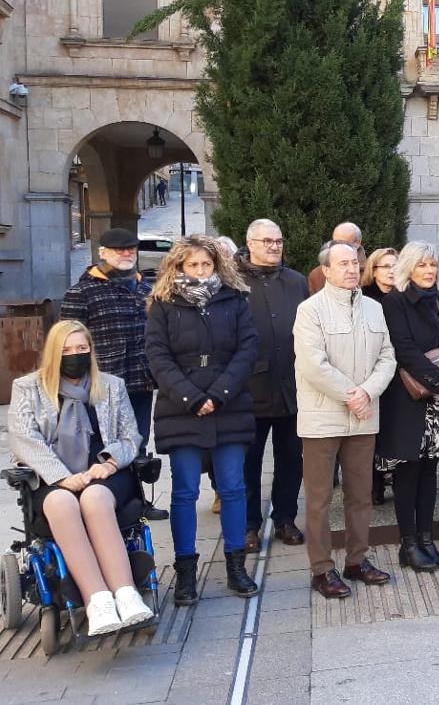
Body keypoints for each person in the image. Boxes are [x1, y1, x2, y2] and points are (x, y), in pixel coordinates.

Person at [7, 320, 153, 635]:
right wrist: (60, 477)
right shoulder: (28, 388)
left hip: (105, 475)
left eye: (82, 348)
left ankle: (126, 595)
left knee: (94, 497)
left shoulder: (111, 386)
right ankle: (97, 601)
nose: (75, 355)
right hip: (51, 480)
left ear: (91, 350)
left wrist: (110, 463)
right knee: (61, 503)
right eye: (67, 349)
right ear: (53, 354)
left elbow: (131, 436)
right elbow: (23, 439)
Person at [145, 235, 260, 605]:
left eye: (205, 265)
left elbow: (247, 349)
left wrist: (219, 394)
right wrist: (191, 398)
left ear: (216, 265)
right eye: (192, 265)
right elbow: (158, 356)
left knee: (232, 487)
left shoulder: (234, 298)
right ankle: (185, 571)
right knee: (185, 492)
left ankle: (236, 565)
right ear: (178, 266)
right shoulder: (163, 304)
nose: (199, 271)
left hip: (228, 405)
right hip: (182, 408)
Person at [293, 240, 396, 598]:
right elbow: (313, 365)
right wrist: (353, 395)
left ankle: (357, 561)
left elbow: (387, 357)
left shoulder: (372, 309)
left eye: (355, 262)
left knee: (360, 495)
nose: (352, 269)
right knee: (319, 499)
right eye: (343, 264)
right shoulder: (310, 311)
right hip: (323, 419)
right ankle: (322, 569)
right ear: (326, 270)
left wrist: (367, 392)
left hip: (364, 416)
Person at [60, 228, 167, 520]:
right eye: (119, 249)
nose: (126, 254)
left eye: (130, 249)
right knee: (103, 447)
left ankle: (138, 501)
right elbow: (66, 340)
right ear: (102, 252)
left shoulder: (146, 290)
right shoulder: (81, 292)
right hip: (100, 386)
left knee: (138, 443)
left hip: (141, 380)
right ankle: (102, 500)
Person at [377, 242, 439, 571]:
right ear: (408, 268)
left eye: (433, 265)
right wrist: (438, 381)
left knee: (431, 471)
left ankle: (427, 539)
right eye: (422, 265)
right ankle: (409, 544)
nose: (429, 271)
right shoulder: (394, 302)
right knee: (408, 472)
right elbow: (403, 348)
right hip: (409, 399)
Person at [236, 219, 308, 552]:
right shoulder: (233, 282)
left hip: (292, 386)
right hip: (250, 388)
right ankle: (249, 524)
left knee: (291, 457)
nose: (274, 246)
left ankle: (285, 518)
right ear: (250, 243)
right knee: (248, 461)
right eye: (267, 241)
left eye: (278, 241)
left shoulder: (295, 282)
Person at [361, 246, 399, 505]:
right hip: (371, 374)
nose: (391, 272)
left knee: (395, 431)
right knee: (373, 434)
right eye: (385, 266)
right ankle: (374, 484)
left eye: (395, 265)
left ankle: (396, 477)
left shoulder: (406, 296)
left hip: (401, 374)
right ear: (372, 271)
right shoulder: (363, 299)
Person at [307, 222, 364, 295]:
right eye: (334, 242)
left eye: (342, 242)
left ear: (357, 243)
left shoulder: (371, 272)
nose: (336, 245)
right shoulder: (317, 274)